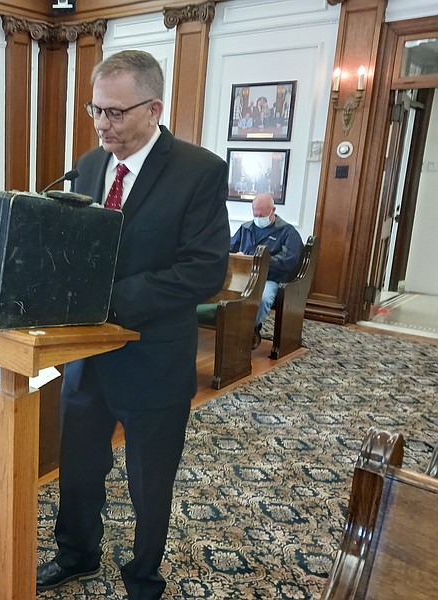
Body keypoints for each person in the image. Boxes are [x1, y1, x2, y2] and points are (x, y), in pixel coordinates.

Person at [36, 50, 230, 599]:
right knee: (77, 469)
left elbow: (204, 270)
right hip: (86, 357)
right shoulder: (89, 164)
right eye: (95, 110)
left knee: (149, 483)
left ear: (154, 109)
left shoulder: (199, 170)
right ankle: (76, 554)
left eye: (116, 113)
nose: (102, 124)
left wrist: (111, 301)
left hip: (153, 358)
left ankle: (144, 575)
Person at [229, 192, 303, 348]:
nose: (258, 218)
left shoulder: (288, 232)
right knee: (224, 291)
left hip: (269, 278)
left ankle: (249, 328)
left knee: (262, 299)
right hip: (243, 276)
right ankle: (229, 328)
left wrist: (260, 260)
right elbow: (230, 249)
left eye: (261, 214)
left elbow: (289, 261)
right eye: (255, 214)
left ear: (273, 210)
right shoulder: (246, 228)